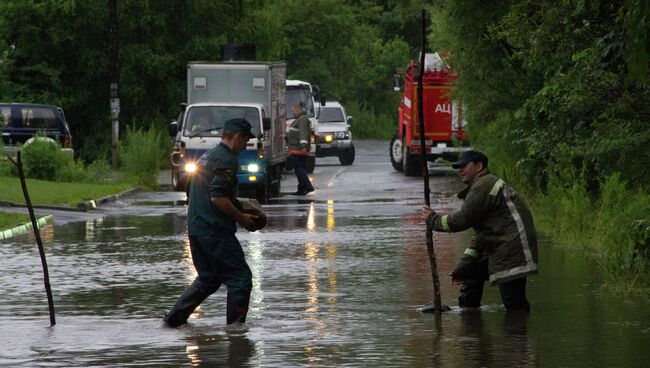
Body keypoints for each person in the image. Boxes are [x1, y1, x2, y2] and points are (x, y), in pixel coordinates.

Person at [163, 118, 260, 327]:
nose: (246, 146)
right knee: (241, 279)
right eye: (245, 140)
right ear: (236, 136)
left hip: (197, 229)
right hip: (214, 231)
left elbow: (210, 193)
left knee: (209, 278)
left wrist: (241, 205)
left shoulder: (207, 156)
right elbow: (218, 198)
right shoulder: (227, 159)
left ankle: (172, 321)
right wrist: (242, 217)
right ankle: (236, 331)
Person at [421, 150, 538, 312]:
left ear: (479, 166)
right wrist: (462, 268)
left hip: (511, 248)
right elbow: (481, 237)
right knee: (471, 274)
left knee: (514, 302)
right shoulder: (481, 186)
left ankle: (516, 334)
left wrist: (432, 219)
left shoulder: (483, 184)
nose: (459, 170)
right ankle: (470, 317)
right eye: (458, 167)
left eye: (464, 166)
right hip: (504, 245)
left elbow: (462, 220)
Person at [287, 103, 314, 195]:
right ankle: (301, 189)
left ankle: (307, 186)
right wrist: (286, 137)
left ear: (298, 109)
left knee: (299, 169)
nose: (292, 112)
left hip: (298, 150)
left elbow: (303, 134)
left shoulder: (302, 119)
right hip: (297, 149)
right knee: (299, 169)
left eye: (293, 111)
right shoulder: (299, 119)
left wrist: (303, 146)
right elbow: (296, 134)